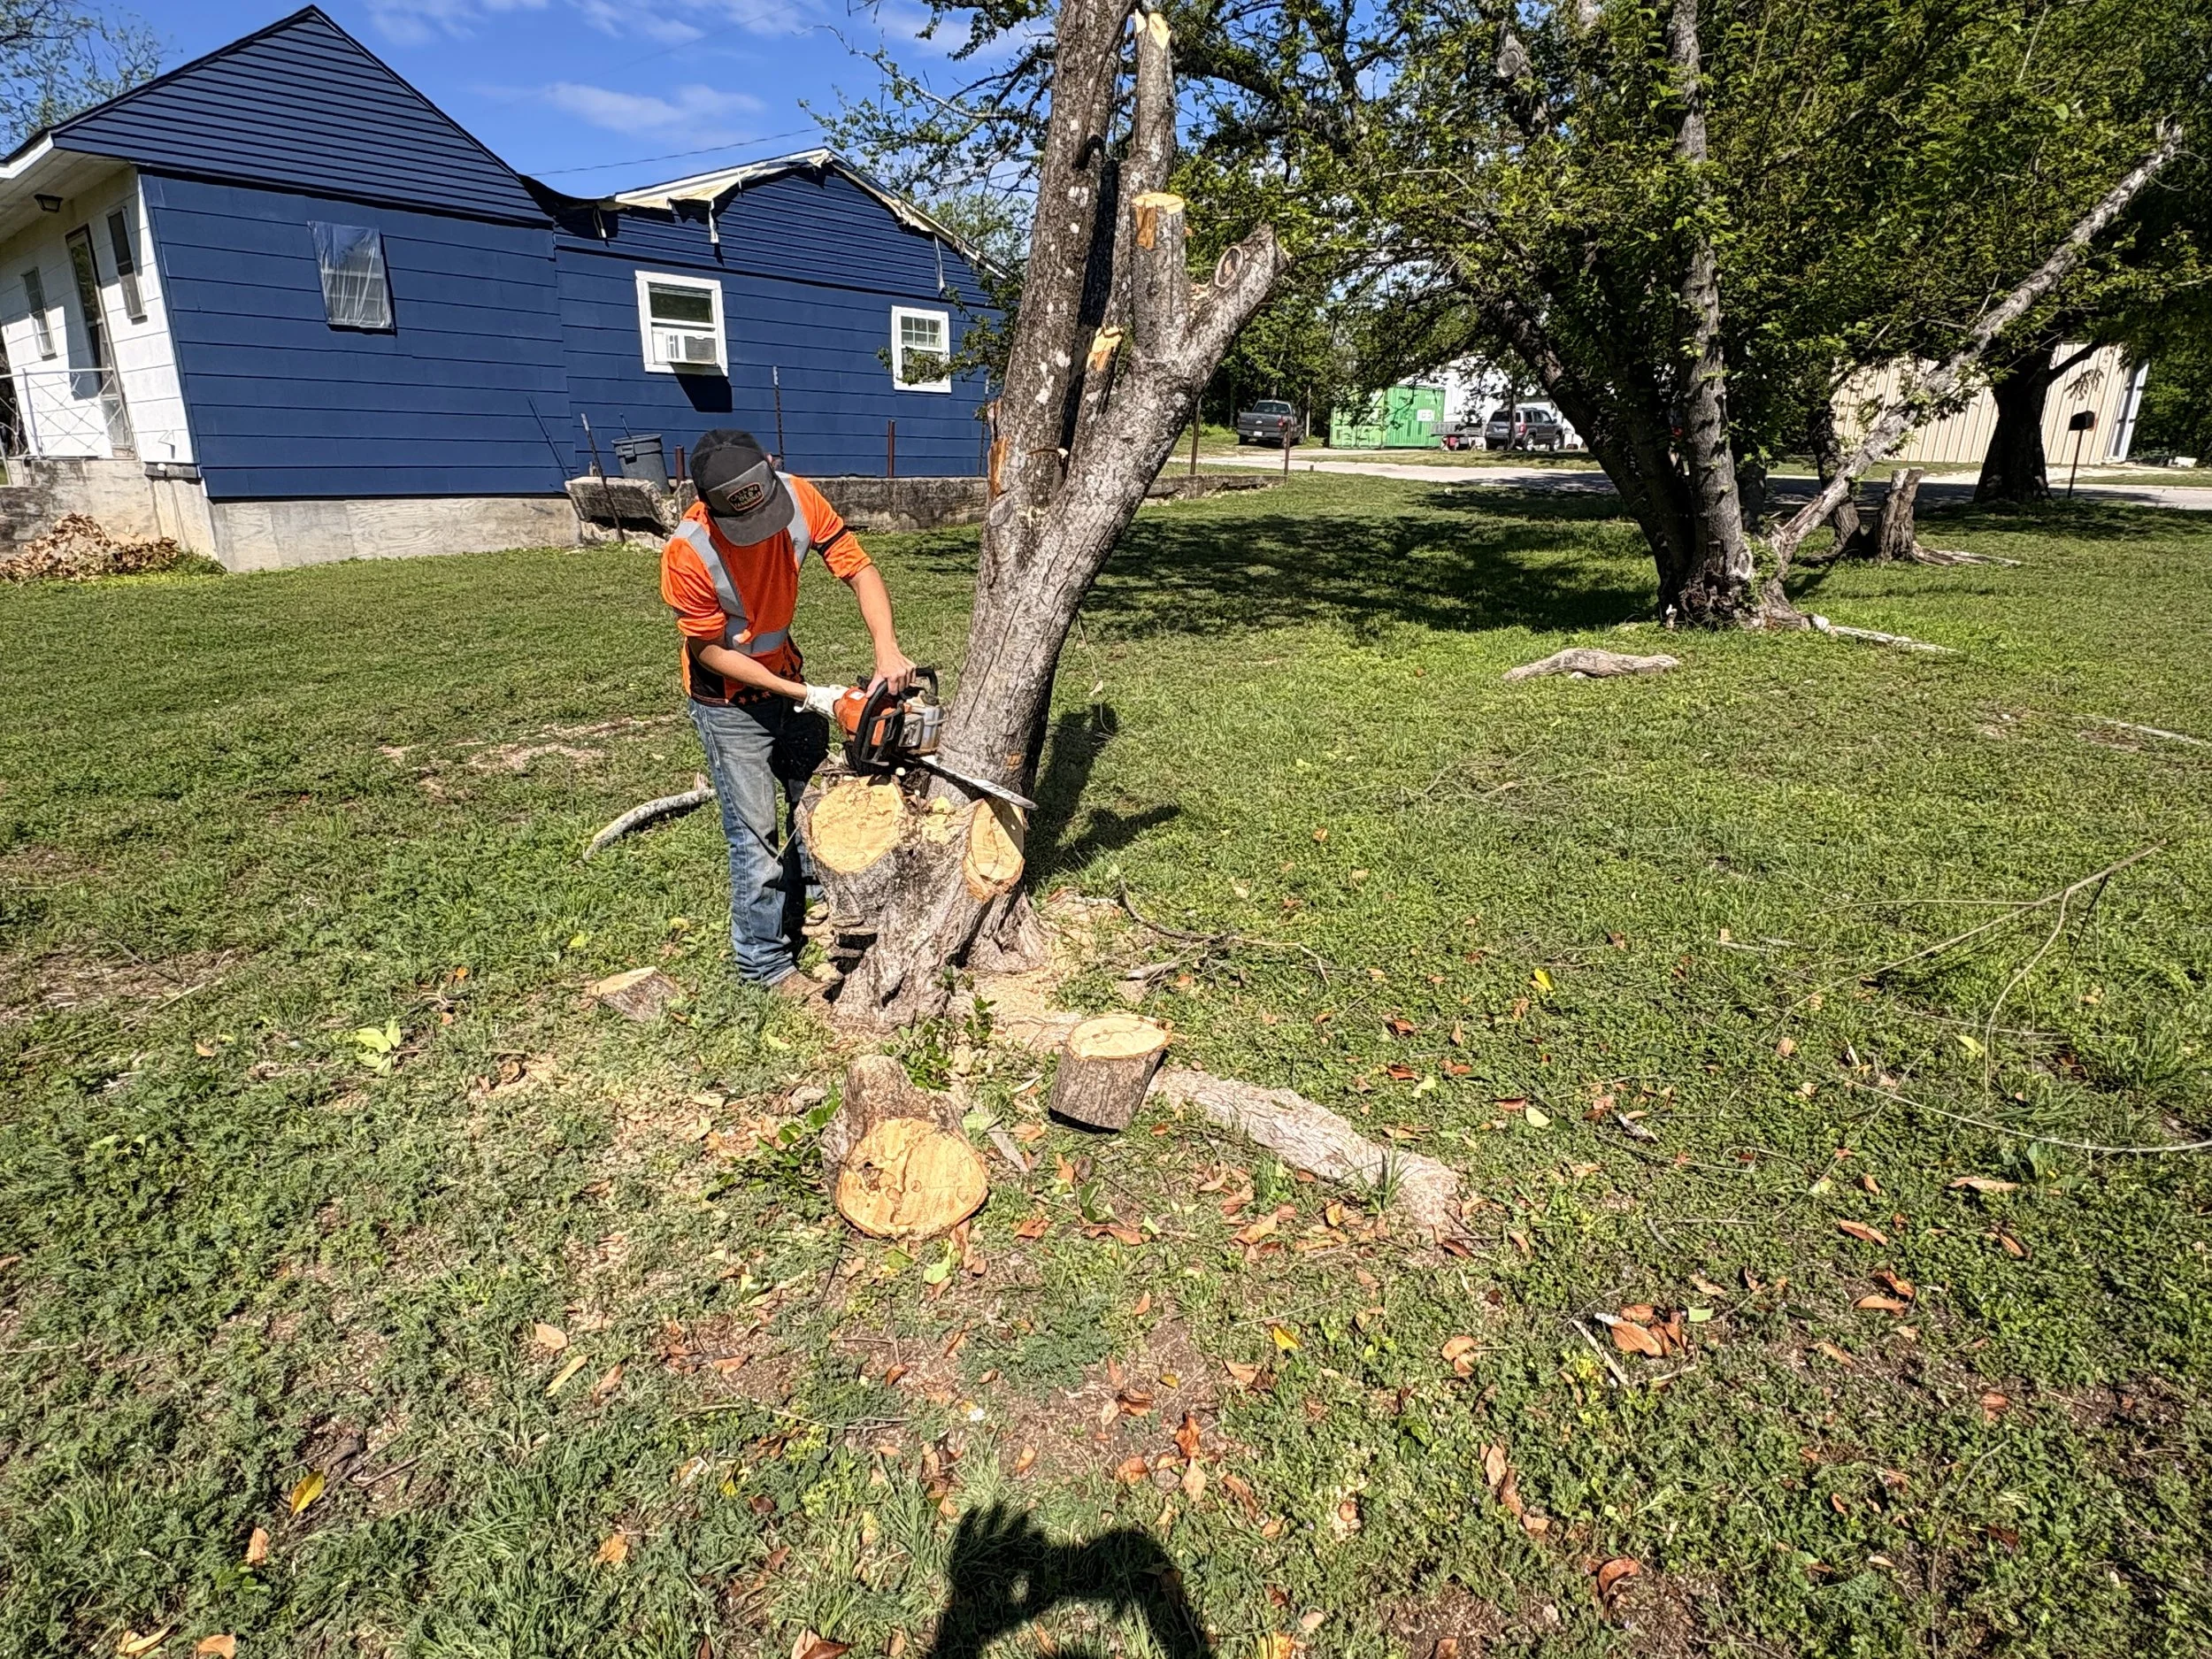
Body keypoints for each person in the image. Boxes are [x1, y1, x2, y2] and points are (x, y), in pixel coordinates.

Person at [659, 429, 916, 997]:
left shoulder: (799, 496)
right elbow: (710, 650)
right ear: (709, 506)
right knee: (756, 833)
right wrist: (805, 694)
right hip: (724, 699)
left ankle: (822, 905)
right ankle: (764, 964)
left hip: (788, 678)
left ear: (771, 471)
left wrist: (887, 648)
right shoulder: (688, 551)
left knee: (814, 801)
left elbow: (859, 569)